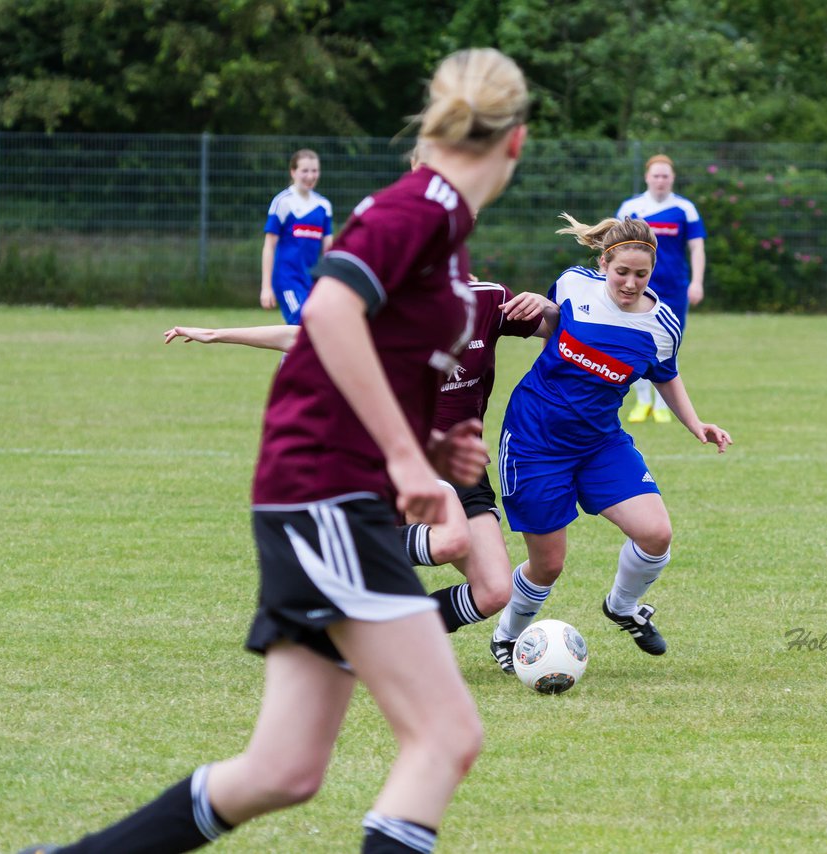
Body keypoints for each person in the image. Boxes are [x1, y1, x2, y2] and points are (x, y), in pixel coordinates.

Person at [18, 47, 529, 854]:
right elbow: (326, 318)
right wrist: (404, 457)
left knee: (283, 770)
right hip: (327, 491)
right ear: (517, 143)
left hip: (324, 492)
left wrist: (430, 440)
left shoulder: (447, 232)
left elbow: (367, 353)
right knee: (445, 736)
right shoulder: (417, 211)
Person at [162, 278, 548, 635]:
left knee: (494, 591)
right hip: (400, 460)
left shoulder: (488, 299)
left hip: (462, 466)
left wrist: (548, 307)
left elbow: (565, 332)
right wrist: (218, 334)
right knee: (448, 541)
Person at [487, 214, 731, 674]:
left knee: (656, 533)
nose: (630, 283)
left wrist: (696, 424)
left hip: (600, 443)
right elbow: (553, 322)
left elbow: (666, 373)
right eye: (622, 272)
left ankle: (622, 606)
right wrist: (542, 305)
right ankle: (507, 636)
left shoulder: (662, 322)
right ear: (604, 262)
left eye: (641, 274)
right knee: (548, 566)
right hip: (535, 440)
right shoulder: (574, 284)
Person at [615, 153, 706, 423]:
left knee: (668, 347)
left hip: (675, 289)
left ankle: (662, 404)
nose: (660, 180)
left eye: (665, 175)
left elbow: (697, 246)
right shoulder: (630, 208)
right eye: (656, 175)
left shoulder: (685, 209)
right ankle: (643, 401)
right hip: (637, 289)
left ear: (672, 178)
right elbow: (614, 247)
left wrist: (697, 281)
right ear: (647, 177)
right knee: (637, 343)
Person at [260, 149, 334, 324]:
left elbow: (328, 249)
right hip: (287, 279)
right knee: (302, 324)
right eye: (305, 171)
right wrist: (266, 287)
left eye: (314, 171)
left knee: (312, 330)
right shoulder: (283, 202)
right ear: (293, 172)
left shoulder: (323, 206)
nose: (310, 176)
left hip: (312, 280)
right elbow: (269, 246)